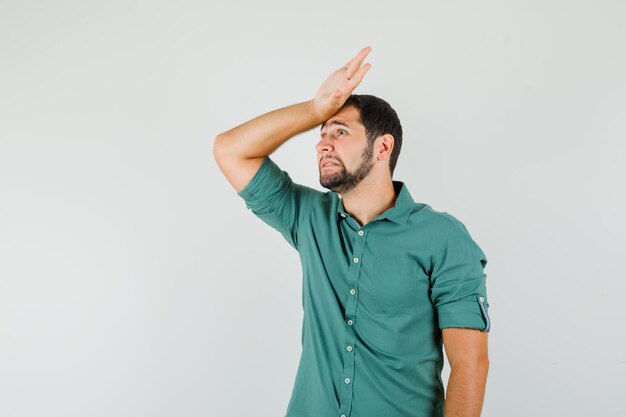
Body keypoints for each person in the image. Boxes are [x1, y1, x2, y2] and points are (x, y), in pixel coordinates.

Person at [213, 46, 491, 417]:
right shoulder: (307, 217)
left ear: (383, 147)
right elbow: (230, 150)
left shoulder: (443, 238)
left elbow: (469, 364)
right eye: (322, 133)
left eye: (339, 131)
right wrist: (315, 110)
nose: (322, 143)